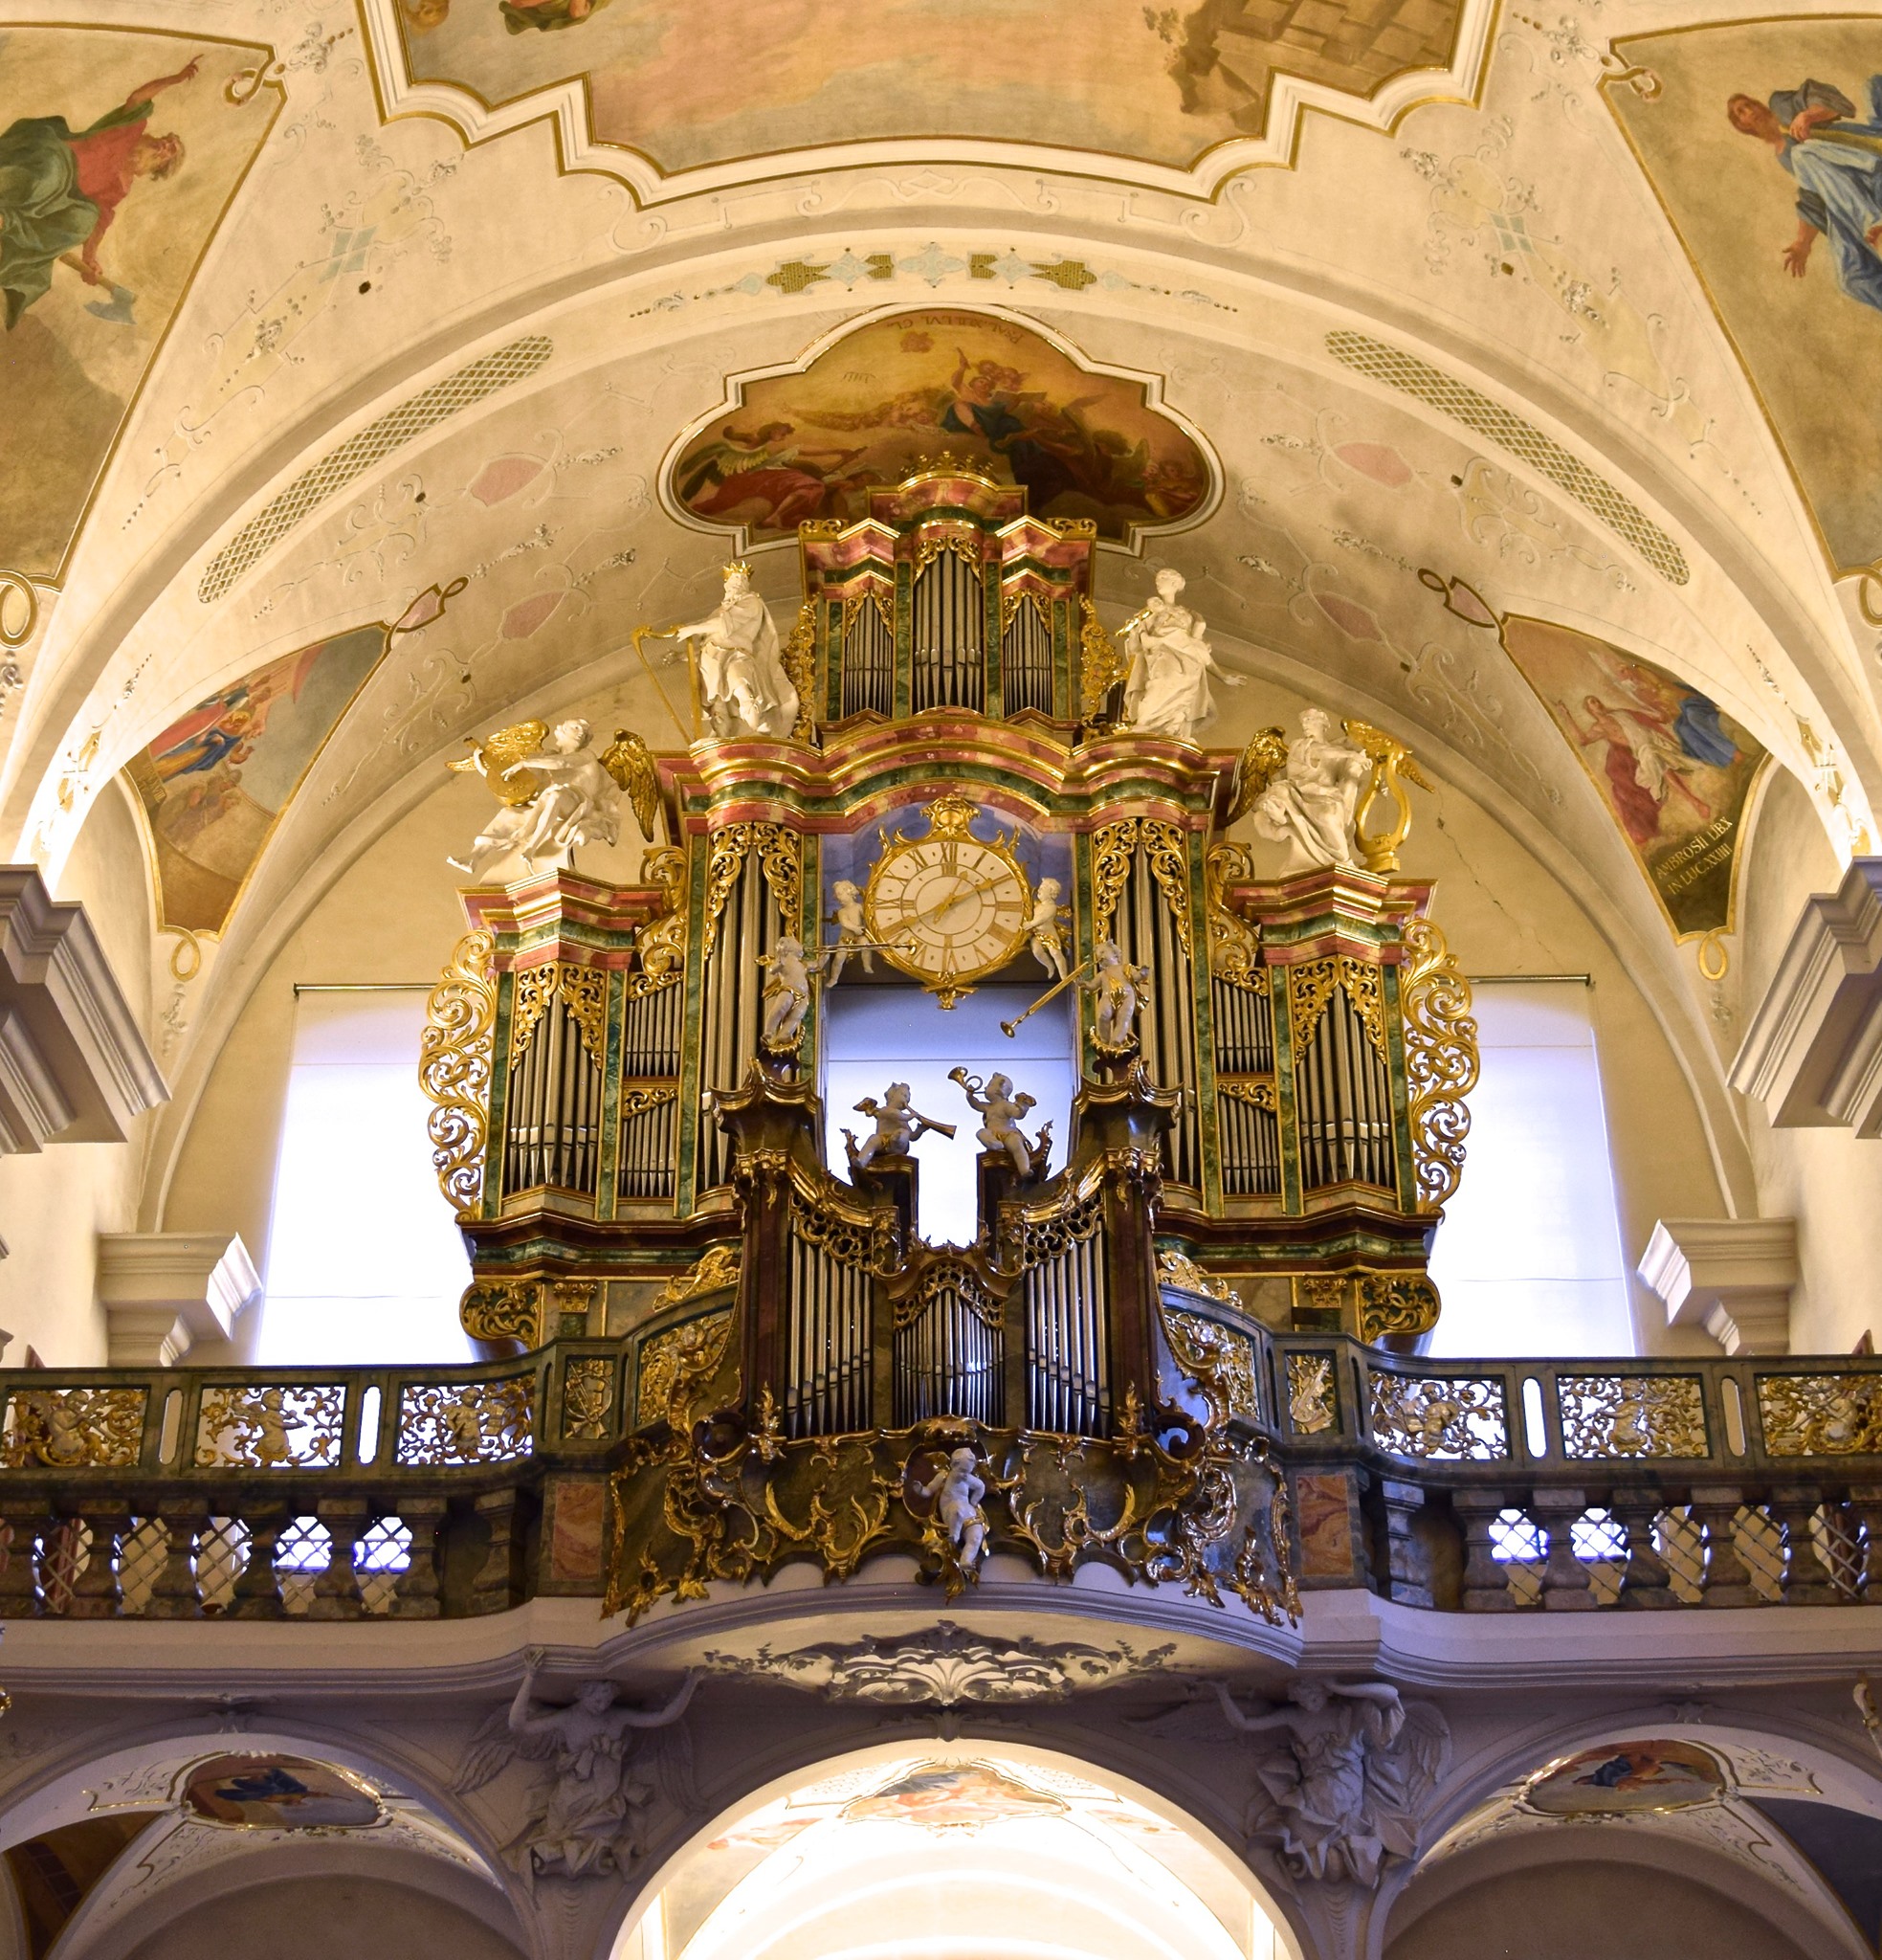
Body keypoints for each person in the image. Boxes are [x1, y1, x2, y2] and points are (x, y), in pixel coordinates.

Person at [1, 58, 200, 329]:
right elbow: (139, 97)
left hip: (62, 195)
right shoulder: (128, 130)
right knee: (48, 176)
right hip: (56, 155)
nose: (162, 147)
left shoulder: (120, 187)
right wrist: (176, 78)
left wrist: (89, 258)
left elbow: (99, 223)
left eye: (165, 154)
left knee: (85, 219)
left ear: (151, 171)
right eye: (164, 141)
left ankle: (9, 224)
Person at [1728, 78, 1882, 315]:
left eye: (1748, 104)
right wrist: (1803, 243)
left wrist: (1809, 115)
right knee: (1851, 275)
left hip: (1858, 162)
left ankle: (1874, 223)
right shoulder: (1782, 156)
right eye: (1741, 113)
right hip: (1841, 193)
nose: (1749, 111)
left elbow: (1835, 104)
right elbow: (1813, 196)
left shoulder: (1782, 106)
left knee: (1803, 155)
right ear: (1742, 125)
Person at [672, 564, 799, 739]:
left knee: (742, 688)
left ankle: (762, 736)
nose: (738, 583)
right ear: (726, 585)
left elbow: (727, 626)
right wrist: (681, 656)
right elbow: (708, 644)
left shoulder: (751, 602)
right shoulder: (718, 612)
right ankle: (720, 741)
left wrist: (693, 629)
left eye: (742, 579)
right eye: (734, 579)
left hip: (736, 655)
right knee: (718, 707)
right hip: (712, 662)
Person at [1120, 568, 1242, 742]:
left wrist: (1223, 676)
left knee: (1182, 697)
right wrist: (1153, 637)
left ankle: (1174, 730)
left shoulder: (1191, 615)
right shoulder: (1148, 613)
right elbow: (1140, 644)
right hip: (1162, 659)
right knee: (1161, 684)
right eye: (1157, 579)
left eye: (1163, 578)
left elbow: (1198, 649)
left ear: (1175, 584)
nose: (1158, 581)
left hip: (1188, 664)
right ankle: (1147, 725)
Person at [1248, 709, 1369, 872]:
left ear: (1324, 724)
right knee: (1280, 791)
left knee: (1329, 817)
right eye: (1303, 721)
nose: (1305, 724)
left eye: (1310, 720)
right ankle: (1280, 817)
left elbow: (1350, 775)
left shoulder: (1339, 751)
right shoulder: (1300, 744)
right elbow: (1318, 752)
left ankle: (1343, 860)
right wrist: (1352, 755)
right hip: (1299, 792)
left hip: (1326, 797)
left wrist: (1375, 776)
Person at [916, 1447, 987, 1570]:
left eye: (968, 1472)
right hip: (950, 1510)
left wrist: (974, 1501)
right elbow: (929, 1490)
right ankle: (954, 1535)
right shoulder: (943, 1476)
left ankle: (966, 1560)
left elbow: (981, 1487)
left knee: (976, 1537)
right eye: (962, 1471)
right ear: (953, 1465)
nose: (964, 1475)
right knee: (957, 1509)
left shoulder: (968, 1479)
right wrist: (920, 1490)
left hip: (968, 1510)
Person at [826, 880, 872, 984]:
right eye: (837, 895)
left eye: (840, 894)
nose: (838, 897)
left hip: (859, 936)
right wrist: (856, 928)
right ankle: (834, 978)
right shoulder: (842, 911)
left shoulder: (859, 907)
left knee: (866, 945)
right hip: (846, 939)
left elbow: (867, 917)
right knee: (838, 958)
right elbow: (845, 923)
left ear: (849, 892)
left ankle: (867, 965)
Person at [1026, 877, 1070, 980]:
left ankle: (1064, 976)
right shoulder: (1038, 905)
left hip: (1050, 937)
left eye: (1043, 888)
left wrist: (1030, 924)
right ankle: (1049, 965)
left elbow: (1043, 918)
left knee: (1056, 953)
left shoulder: (1051, 907)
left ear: (1051, 893)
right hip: (1038, 935)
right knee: (1037, 951)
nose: (1039, 889)